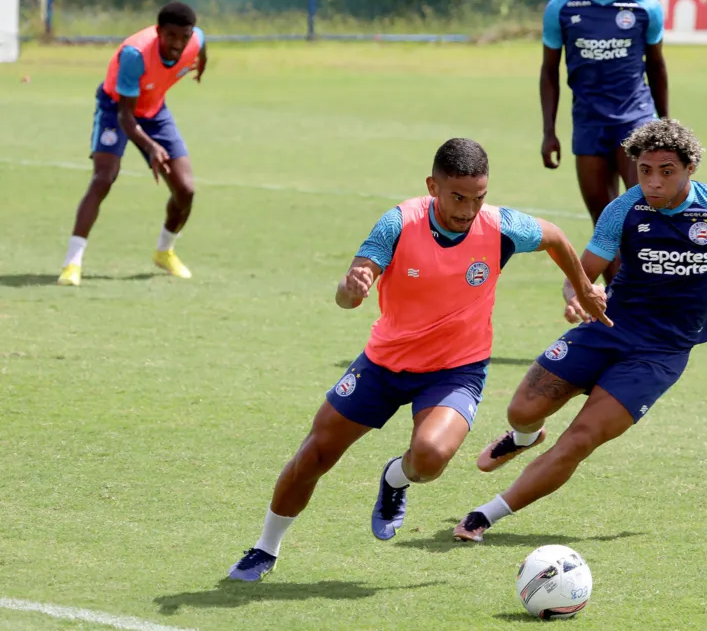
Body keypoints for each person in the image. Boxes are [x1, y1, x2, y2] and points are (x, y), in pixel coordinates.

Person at [228, 138, 610, 582]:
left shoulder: (501, 226)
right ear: (433, 186)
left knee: (429, 458)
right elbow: (350, 292)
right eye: (458, 197)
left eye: (479, 197)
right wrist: (352, 288)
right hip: (383, 364)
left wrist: (583, 287)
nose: (468, 209)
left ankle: (395, 479)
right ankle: (265, 548)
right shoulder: (398, 223)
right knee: (315, 455)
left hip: (455, 370)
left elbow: (554, 236)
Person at [453, 119, 707, 542]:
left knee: (579, 439)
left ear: (690, 168)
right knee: (522, 410)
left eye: (667, 171)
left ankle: (486, 515)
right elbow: (582, 273)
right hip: (607, 327)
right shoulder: (624, 210)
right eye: (645, 170)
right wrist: (576, 296)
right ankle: (523, 437)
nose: (654, 182)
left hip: (661, 353)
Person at [540, 0, 668, 281]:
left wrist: (664, 125)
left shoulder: (644, 6)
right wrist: (549, 131)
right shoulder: (563, 8)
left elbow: (657, 67)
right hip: (589, 125)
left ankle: (646, 300)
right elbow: (549, 72)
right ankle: (616, 306)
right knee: (604, 226)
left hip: (634, 122)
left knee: (640, 215)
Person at [57, 1, 208, 286]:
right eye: (171, 36)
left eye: (183, 37)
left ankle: (165, 251)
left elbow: (201, 45)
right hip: (117, 108)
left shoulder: (195, 40)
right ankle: (71, 263)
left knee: (185, 190)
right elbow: (126, 116)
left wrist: (201, 66)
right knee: (104, 177)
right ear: (158, 31)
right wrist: (150, 147)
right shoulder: (135, 55)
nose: (178, 44)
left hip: (154, 110)